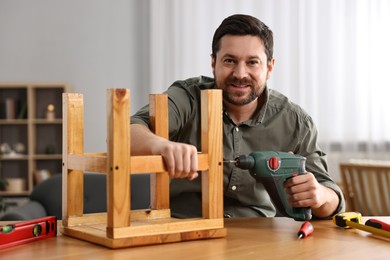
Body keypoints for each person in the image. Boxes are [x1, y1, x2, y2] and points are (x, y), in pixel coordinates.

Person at [130, 14, 345, 219]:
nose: (240, 74)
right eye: (230, 61)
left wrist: (319, 196)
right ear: (213, 63)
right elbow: (127, 133)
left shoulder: (296, 122)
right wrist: (161, 146)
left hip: (259, 238)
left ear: (269, 67)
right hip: (183, 230)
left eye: (252, 62)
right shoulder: (188, 98)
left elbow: (332, 199)